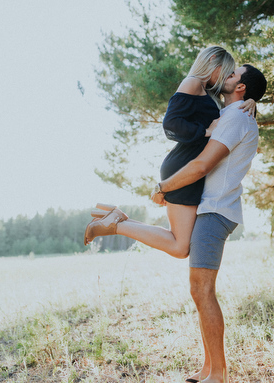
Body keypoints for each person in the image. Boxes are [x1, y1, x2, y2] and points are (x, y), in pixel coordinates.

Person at [86, 64, 267, 383]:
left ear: (241, 89)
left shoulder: (238, 119)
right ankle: (209, 369)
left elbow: (201, 165)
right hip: (207, 208)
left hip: (215, 212)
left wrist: (163, 187)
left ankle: (220, 377)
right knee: (196, 284)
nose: (225, 77)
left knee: (202, 291)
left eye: (232, 75)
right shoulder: (235, 114)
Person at [84, 46, 255, 257]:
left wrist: (251, 99)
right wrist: (205, 131)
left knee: (181, 244)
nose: (225, 78)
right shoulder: (192, 82)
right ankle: (116, 225)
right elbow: (170, 125)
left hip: (192, 170)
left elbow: (229, 111)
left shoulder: (208, 92)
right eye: (226, 71)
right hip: (184, 166)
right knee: (180, 247)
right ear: (213, 61)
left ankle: (116, 219)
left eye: (232, 75)